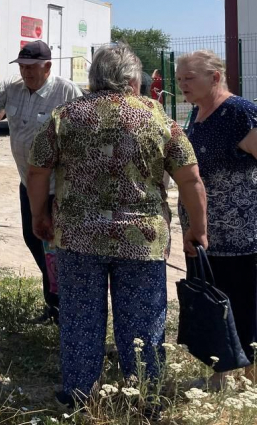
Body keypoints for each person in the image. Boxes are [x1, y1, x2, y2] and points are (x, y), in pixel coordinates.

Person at [27, 43, 208, 407]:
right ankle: (146, 397)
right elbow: (190, 179)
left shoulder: (66, 115)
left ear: (95, 78)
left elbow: (37, 170)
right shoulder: (157, 118)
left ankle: (78, 394)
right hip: (141, 240)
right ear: (131, 79)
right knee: (143, 323)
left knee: (80, 317)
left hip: (78, 237)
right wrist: (197, 228)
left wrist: (38, 215)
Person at [0, 40, 82, 323]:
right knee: (34, 239)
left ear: (47, 66)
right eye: (22, 66)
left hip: (59, 189)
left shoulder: (66, 90)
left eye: (31, 67)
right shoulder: (13, 89)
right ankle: (56, 302)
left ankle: (66, 308)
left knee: (57, 247)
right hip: (29, 186)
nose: (25, 72)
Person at [176, 50, 257, 381]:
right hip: (204, 237)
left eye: (189, 78)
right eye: (179, 79)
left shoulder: (240, 114)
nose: (182, 84)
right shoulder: (197, 115)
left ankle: (250, 379)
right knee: (214, 309)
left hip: (241, 237)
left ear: (215, 77)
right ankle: (221, 374)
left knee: (245, 309)